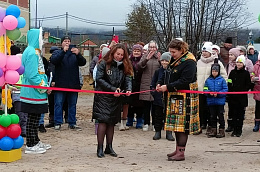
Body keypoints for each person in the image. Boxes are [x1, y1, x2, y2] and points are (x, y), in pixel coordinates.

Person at [156, 39, 200, 161]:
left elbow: (185, 80)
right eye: (170, 52)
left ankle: (181, 152)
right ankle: (177, 149)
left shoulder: (190, 62)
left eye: (174, 52)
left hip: (185, 98)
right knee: (176, 125)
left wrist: (168, 87)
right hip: (174, 96)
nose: (171, 54)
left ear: (181, 50)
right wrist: (160, 83)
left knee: (182, 125)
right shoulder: (175, 59)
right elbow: (167, 73)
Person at [92, 44, 133, 158]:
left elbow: (128, 78)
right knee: (103, 121)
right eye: (117, 54)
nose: (119, 56)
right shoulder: (103, 63)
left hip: (116, 98)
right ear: (113, 53)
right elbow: (99, 79)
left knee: (112, 122)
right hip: (103, 97)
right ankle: (99, 147)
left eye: (122, 55)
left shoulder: (125, 65)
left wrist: (129, 89)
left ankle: (109, 147)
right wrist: (112, 89)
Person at [20, 28, 51, 154]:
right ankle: (31, 144)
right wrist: (43, 86)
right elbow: (32, 74)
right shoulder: (32, 53)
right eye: (41, 37)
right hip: (33, 92)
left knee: (35, 118)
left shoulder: (34, 52)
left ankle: (35, 140)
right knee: (32, 119)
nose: (42, 41)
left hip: (35, 92)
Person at [50, 36, 86, 130]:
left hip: (73, 84)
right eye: (65, 41)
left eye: (69, 41)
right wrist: (63, 51)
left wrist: (78, 54)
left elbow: (83, 62)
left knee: (72, 104)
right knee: (58, 103)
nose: (67, 43)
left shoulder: (74, 53)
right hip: (60, 83)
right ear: (61, 43)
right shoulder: (57, 52)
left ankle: (72, 122)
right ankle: (57, 122)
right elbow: (54, 61)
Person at [197, 44, 227, 133]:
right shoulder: (198, 62)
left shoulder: (216, 62)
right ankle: (202, 125)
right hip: (201, 90)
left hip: (214, 91)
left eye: (206, 51)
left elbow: (223, 75)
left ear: (210, 52)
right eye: (203, 51)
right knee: (201, 109)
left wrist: (221, 89)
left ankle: (211, 126)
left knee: (211, 110)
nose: (204, 53)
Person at [150, 52, 174, 141]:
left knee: (169, 116)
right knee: (157, 115)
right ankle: (157, 132)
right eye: (162, 60)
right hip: (158, 97)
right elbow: (153, 83)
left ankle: (169, 132)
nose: (164, 62)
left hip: (169, 97)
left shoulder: (172, 71)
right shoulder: (157, 71)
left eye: (166, 61)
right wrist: (154, 92)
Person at [137, 40, 161, 131]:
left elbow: (164, 67)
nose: (152, 49)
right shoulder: (144, 56)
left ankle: (155, 124)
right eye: (150, 47)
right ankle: (146, 123)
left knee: (155, 106)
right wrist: (147, 58)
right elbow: (139, 67)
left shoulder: (159, 56)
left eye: (153, 47)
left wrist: (159, 60)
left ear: (156, 48)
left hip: (156, 84)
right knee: (146, 106)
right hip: (146, 84)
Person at [228, 55, 251, 137]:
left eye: (240, 62)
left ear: (243, 64)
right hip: (233, 97)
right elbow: (229, 82)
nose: (239, 64)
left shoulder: (246, 73)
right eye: (237, 62)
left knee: (240, 115)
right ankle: (234, 129)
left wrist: (243, 90)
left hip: (242, 98)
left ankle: (239, 130)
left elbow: (248, 84)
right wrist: (231, 90)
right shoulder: (232, 72)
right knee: (233, 114)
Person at [203, 60, 228, 138]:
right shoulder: (208, 80)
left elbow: (225, 89)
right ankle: (213, 130)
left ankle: (221, 130)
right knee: (212, 116)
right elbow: (205, 89)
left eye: (216, 71)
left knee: (220, 116)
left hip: (219, 101)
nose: (214, 72)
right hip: (211, 101)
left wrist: (218, 93)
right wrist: (209, 92)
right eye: (213, 71)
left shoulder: (222, 80)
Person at [126, 44, 144, 129]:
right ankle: (129, 119)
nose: (136, 52)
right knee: (130, 103)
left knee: (140, 104)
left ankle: (139, 120)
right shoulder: (129, 60)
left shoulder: (143, 60)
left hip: (140, 84)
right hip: (130, 84)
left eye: (138, 51)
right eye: (135, 51)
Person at [251, 55, 260, 132]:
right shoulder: (256, 66)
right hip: (258, 88)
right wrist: (253, 78)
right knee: (258, 108)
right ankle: (257, 123)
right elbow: (252, 74)